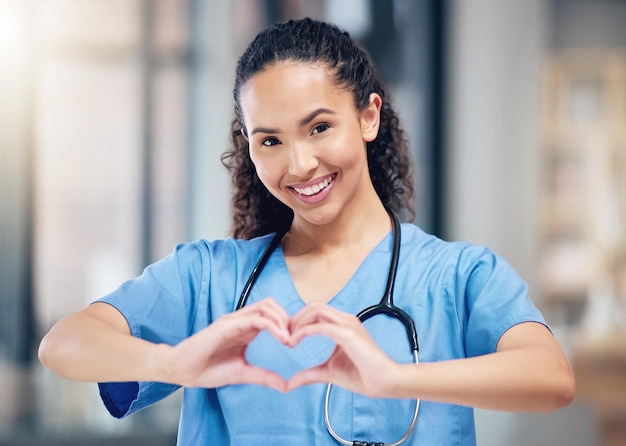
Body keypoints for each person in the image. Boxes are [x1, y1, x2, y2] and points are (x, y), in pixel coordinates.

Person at [38, 17, 575, 445]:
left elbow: (550, 378)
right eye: (269, 140)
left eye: (319, 127)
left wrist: (395, 378)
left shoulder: (458, 276)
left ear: (369, 117)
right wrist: (172, 362)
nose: (298, 165)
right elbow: (64, 344)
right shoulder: (209, 276)